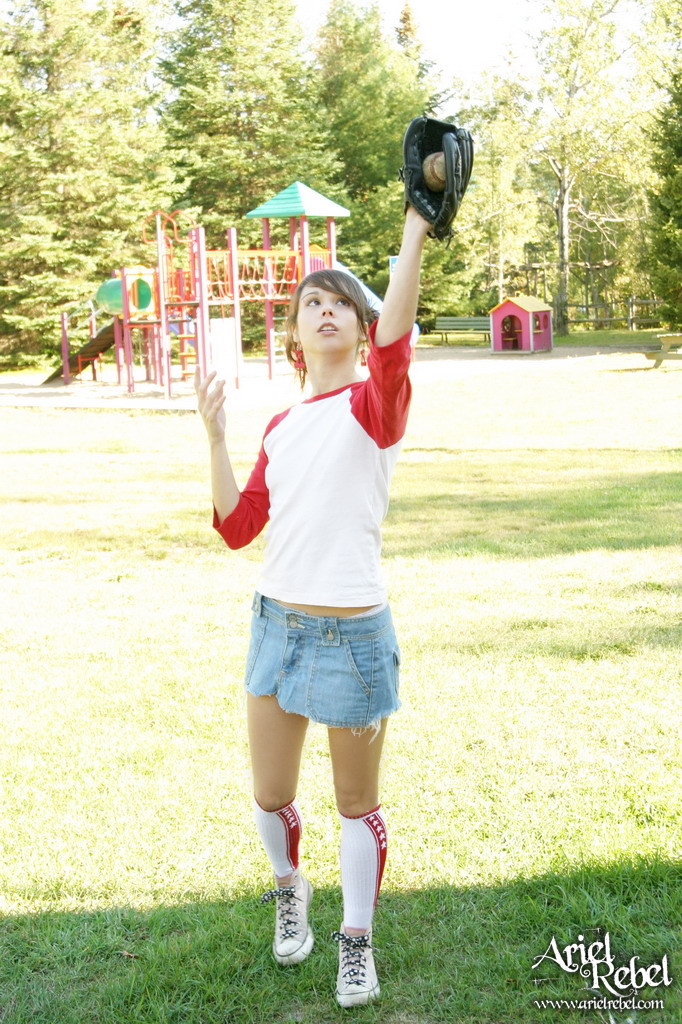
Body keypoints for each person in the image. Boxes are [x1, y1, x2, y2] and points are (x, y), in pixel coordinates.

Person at [195, 205, 431, 1007]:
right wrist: (215, 437)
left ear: (361, 330)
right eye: (311, 303)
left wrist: (414, 229)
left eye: (341, 303)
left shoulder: (375, 405)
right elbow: (238, 527)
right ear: (295, 334)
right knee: (271, 794)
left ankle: (355, 942)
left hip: (352, 634)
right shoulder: (282, 426)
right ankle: (289, 888)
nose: (326, 310)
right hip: (277, 628)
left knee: (355, 804)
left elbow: (397, 344)